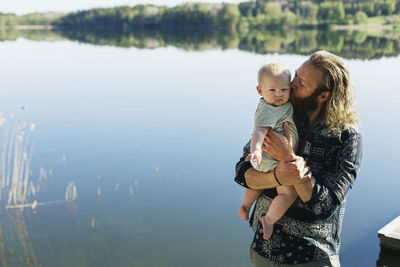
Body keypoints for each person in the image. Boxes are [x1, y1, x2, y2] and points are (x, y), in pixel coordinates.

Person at [234, 51, 362, 266]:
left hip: (310, 257)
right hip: (263, 251)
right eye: (295, 76)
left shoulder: (346, 138)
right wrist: (277, 176)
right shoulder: (281, 112)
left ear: (323, 95)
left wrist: (289, 160)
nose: (291, 85)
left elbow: (324, 207)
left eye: (301, 83)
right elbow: (243, 172)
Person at [238, 62, 300, 241]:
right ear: (260, 91)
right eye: (272, 90)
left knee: (260, 183)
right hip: (271, 158)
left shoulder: (276, 105)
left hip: (267, 159)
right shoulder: (269, 109)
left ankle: (245, 206)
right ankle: (270, 220)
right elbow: (259, 131)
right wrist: (256, 150)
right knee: (288, 193)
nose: (279, 94)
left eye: (284, 89)